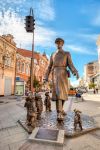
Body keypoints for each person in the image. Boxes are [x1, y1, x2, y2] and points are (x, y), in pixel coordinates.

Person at [44, 38, 79, 121]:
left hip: (64, 74)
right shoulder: (53, 54)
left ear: (62, 44)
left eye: (60, 43)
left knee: (63, 94)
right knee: (58, 94)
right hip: (55, 74)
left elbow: (70, 64)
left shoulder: (67, 53)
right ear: (55, 44)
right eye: (57, 43)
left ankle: (61, 109)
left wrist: (75, 72)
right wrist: (46, 77)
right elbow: (49, 67)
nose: (58, 44)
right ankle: (59, 112)